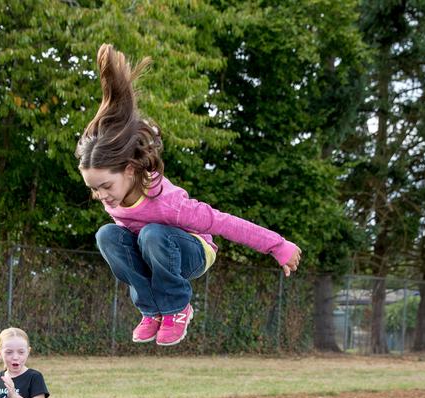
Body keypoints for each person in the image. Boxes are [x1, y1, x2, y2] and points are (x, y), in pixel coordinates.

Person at [75, 43, 302, 347]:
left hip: (193, 252)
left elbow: (225, 223)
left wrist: (278, 245)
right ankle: (152, 309)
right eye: (94, 189)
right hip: (154, 252)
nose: (102, 196)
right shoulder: (115, 198)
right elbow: (126, 245)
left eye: (105, 186)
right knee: (107, 235)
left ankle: (178, 307)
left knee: (153, 234)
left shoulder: (170, 204)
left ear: (130, 170)